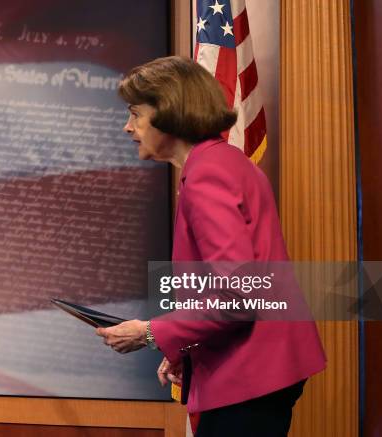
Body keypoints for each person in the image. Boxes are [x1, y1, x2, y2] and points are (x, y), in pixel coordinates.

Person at [95, 56, 326, 437]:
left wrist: (150, 332)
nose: (127, 127)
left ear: (168, 110)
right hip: (260, 367)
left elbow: (237, 296)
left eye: (135, 114)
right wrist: (187, 349)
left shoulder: (207, 175)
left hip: (251, 373)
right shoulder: (222, 162)